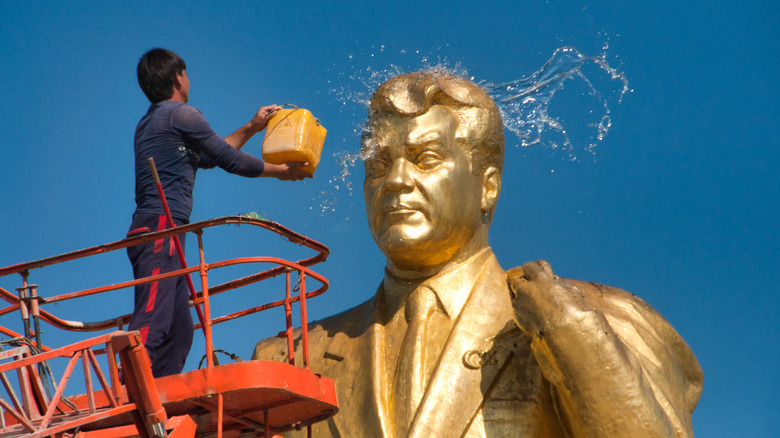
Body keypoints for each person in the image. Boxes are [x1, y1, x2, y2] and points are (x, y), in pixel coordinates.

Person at [253, 71, 703, 437]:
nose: (395, 180)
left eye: (425, 158)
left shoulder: (598, 319)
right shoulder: (291, 358)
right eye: (378, 165)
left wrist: (572, 336)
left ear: (488, 186)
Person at [129, 48, 311, 378]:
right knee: (153, 319)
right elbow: (230, 160)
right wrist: (280, 170)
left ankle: (162, 392)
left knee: (179, 331)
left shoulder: (154, 121)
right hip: (160, 229)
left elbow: (210, 156)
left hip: (164, 231)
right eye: (186, 73)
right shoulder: (181, 114)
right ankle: (127, 385)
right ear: (177, 78)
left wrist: (253, 127)